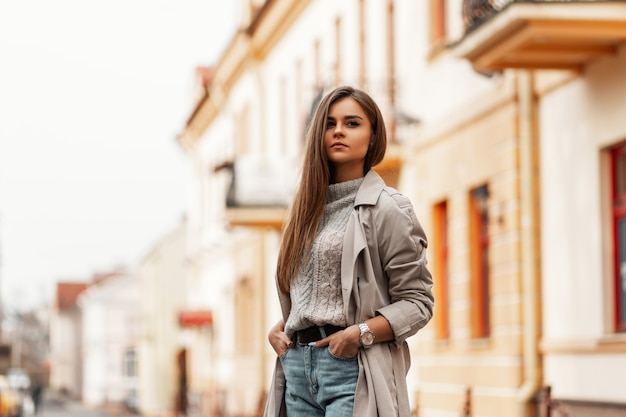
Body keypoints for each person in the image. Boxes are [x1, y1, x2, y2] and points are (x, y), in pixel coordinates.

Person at [264, 85, 434, 417]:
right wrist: (285, 325)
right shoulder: (301, 213)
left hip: (352, 369)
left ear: (373, 137)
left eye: (352, 123)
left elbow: (418, 303)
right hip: (297, 366)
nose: (339, 130)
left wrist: (361, 333)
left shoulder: (389, 209)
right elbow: (320, 295)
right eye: (329, 123)